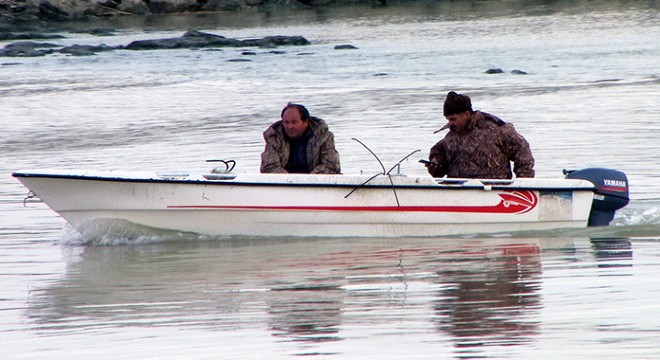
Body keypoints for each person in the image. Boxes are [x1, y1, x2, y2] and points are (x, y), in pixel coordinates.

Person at [425, 91, 535, 179]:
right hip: (458, 195)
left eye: (453, 119)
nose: (450, 123)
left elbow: (522, 149)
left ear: (466, 114)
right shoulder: (450, 137)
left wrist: (523, 183)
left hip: (495, 193)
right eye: (448, 119)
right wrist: (435, 165)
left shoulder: (496, 129)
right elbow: (438, 162)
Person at [260, 103, 341, 174]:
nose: (290, 126)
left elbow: (332, 165)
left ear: (306, 122)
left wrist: (309, 181)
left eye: (294, 122)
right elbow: (269, 167)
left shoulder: (323, 136)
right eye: (286, 122)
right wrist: (290, 181)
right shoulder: (274, 137)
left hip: (316, 184)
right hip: (284, 185)